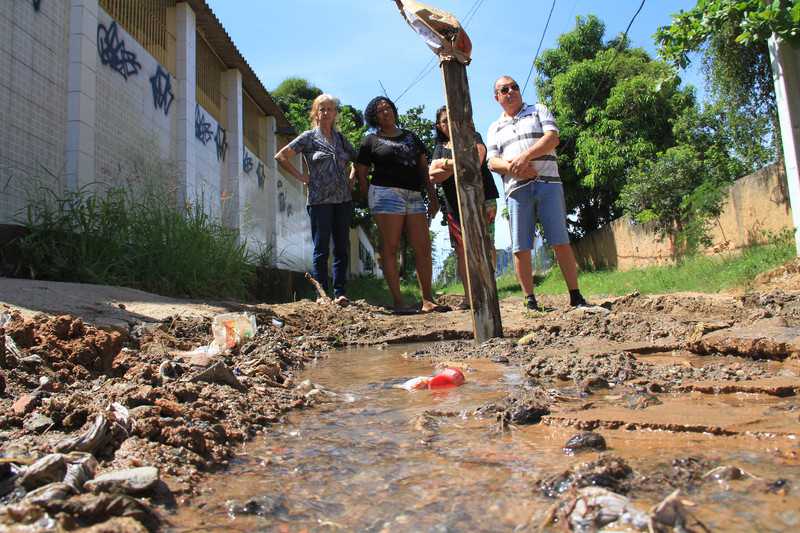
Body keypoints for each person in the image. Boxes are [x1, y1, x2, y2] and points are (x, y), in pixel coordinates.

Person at [486, 75, 588, 310]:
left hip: (549, 183)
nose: (510, 91)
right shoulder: (494, 127)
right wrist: (518, 169)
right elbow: (492, 162)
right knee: (521, 246)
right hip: (516, 190)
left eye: (514, 86)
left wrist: (524, 157)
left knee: (560, 239)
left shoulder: (538, 110)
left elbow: (552, 139)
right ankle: (530, 301)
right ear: (497, 97)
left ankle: (575, 296)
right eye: (504, 89)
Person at [355, 96, 445, 314]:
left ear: (394, 111)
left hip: (414, 195)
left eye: (388, 108)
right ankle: (399, 302)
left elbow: (424, 169)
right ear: (373, 117)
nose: (385, 112)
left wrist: (432, 197)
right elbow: (361, 172)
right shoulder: (370, 140)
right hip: (385, 195)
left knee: (422, 247)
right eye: (379, 111)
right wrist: (370, 200)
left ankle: (427, 300)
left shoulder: (412, 137)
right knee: (390, 247)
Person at [275, 93, 357, 305]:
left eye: (330, 109)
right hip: (319, 200)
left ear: (335, 114)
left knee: (341, 247)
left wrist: (352, 177)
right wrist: (302, 177)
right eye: (322, 109)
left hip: (343, 200)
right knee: (321, 248)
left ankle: (340, 293)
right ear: (316, 113)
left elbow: (358, 159)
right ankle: (322, 294)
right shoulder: (308, 137)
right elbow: (281, 156)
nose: (327, 112)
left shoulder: (341, 139)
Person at [429, 105, 499, 309]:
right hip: (454, 205)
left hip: (484, 199)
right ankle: (470, 297)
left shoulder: (473, 136)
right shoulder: (439, 147)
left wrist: (445, 164)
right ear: (439, 126)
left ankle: (488, 290)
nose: (448, 124)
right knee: (461, 250)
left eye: (452, 118)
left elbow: (476, 160)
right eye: (444, 121)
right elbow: (432, 176)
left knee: (486, 244)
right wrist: (459, 163)